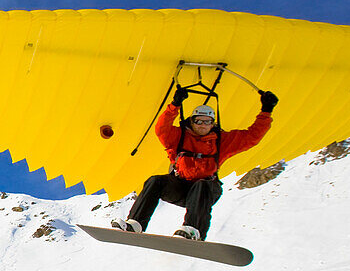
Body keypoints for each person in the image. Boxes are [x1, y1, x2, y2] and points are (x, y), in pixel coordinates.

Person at [112, 86, 279, 240]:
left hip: (206, 191)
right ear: (191, 121)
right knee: (155, 181)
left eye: (208, 121)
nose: (203, 125)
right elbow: (162, 129)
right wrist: (175, 105)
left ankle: (193, 230)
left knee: (201, 184)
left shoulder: (221, 141)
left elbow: (252, 137)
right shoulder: (179, 137)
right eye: (199, 121)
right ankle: (135, 224)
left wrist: (267, 110)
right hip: (181, 187)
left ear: (213, 123)